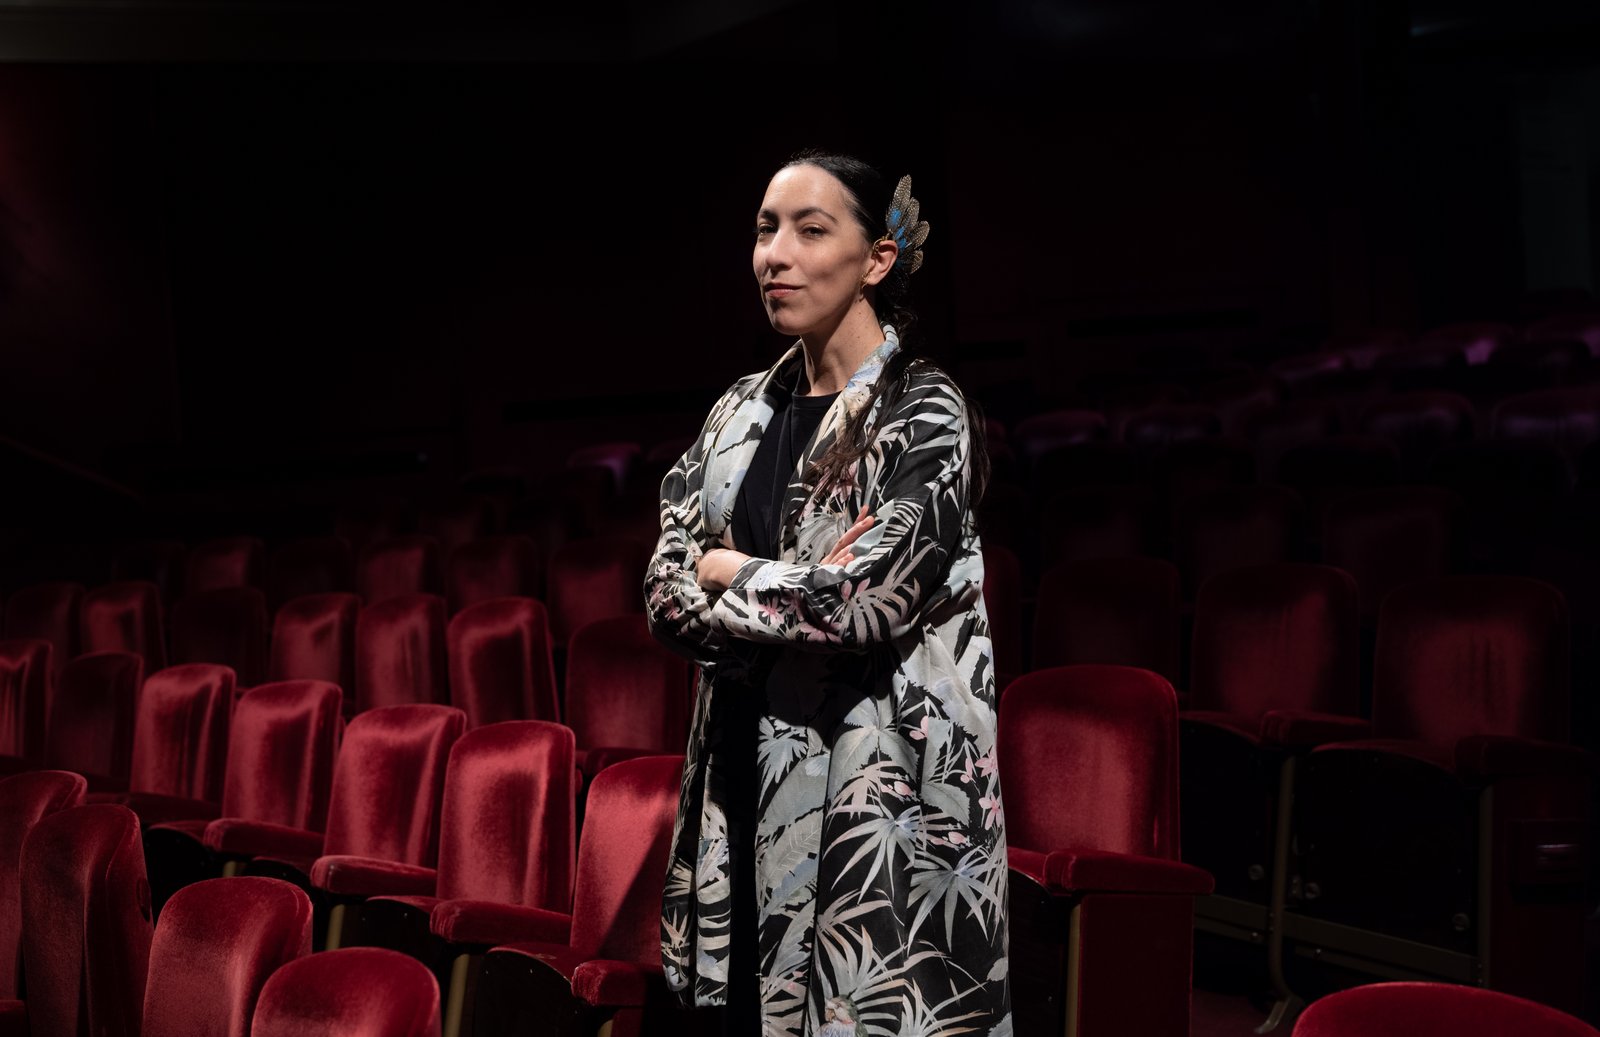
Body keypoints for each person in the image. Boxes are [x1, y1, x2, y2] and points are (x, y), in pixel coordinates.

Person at [645, 148, 1012, 1037]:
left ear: (877, 259)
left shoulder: (923, 410)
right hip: (745, 763)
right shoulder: (739, 412)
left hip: (873, 785)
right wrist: (787, 591)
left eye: (811, 230)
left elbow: (866, 599)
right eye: (765, 230)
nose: (776, 255)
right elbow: (662, 587)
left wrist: (730, 570)